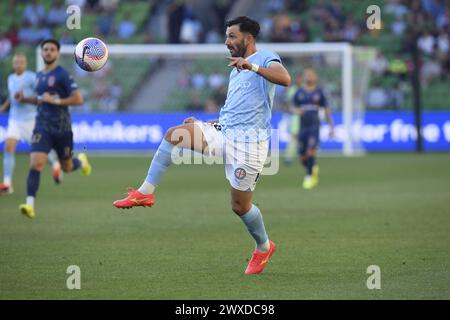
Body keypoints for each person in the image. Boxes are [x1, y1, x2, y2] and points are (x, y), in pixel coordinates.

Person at [113, 16, 291, 275]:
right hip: (224, 131)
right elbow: (234, 112)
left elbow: (285, 79)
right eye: (226, 36)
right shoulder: (235, 70)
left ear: (248, 38)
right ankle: (145, 192)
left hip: (250, 145)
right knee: (175, 134)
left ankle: (264, 247)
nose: (226, 41)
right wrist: (205, 123)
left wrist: (251, 67)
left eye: (232, 36)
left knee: (240, 207)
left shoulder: (265, 57)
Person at [16, 39, 91, 218]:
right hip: (42, 127)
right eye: (45, 49)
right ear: (41, 53)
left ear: (57, 53)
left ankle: (80, 162)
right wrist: (24, 98)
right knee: (36, 163)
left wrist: (56, 101)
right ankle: (29, 205)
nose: (48, 52)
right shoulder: (39, 76)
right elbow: (41, 98)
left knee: (67, 166)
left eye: (52, 49)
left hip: (62, 128)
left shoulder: (63, 74)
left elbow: (78, 99)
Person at [0, 53, 62, 195]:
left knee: (41, 151)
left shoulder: (31, 78)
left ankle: (56, 164)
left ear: (26, 64)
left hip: (31, 120)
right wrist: (4, 106)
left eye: (21, 62)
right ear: (13, 64)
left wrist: (24, 98)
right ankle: (8, 184)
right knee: (9, 147)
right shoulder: (11, 78)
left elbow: (40, 97)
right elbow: (12, 95)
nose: (18, 65)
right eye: (16, 62)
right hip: (15, 119)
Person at [289, 68, 334, 190]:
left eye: (310, 75)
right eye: (306, 75)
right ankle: (312, 167)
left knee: (310, 151)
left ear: (315, 77)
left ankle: (309, 177)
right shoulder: (299, 93)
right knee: (302, 156)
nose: (308, 77)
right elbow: (291, 107)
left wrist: (331, 127)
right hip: (303, 128)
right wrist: (296, 110)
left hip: (314, 127)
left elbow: (326, 111)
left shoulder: (320, 93)